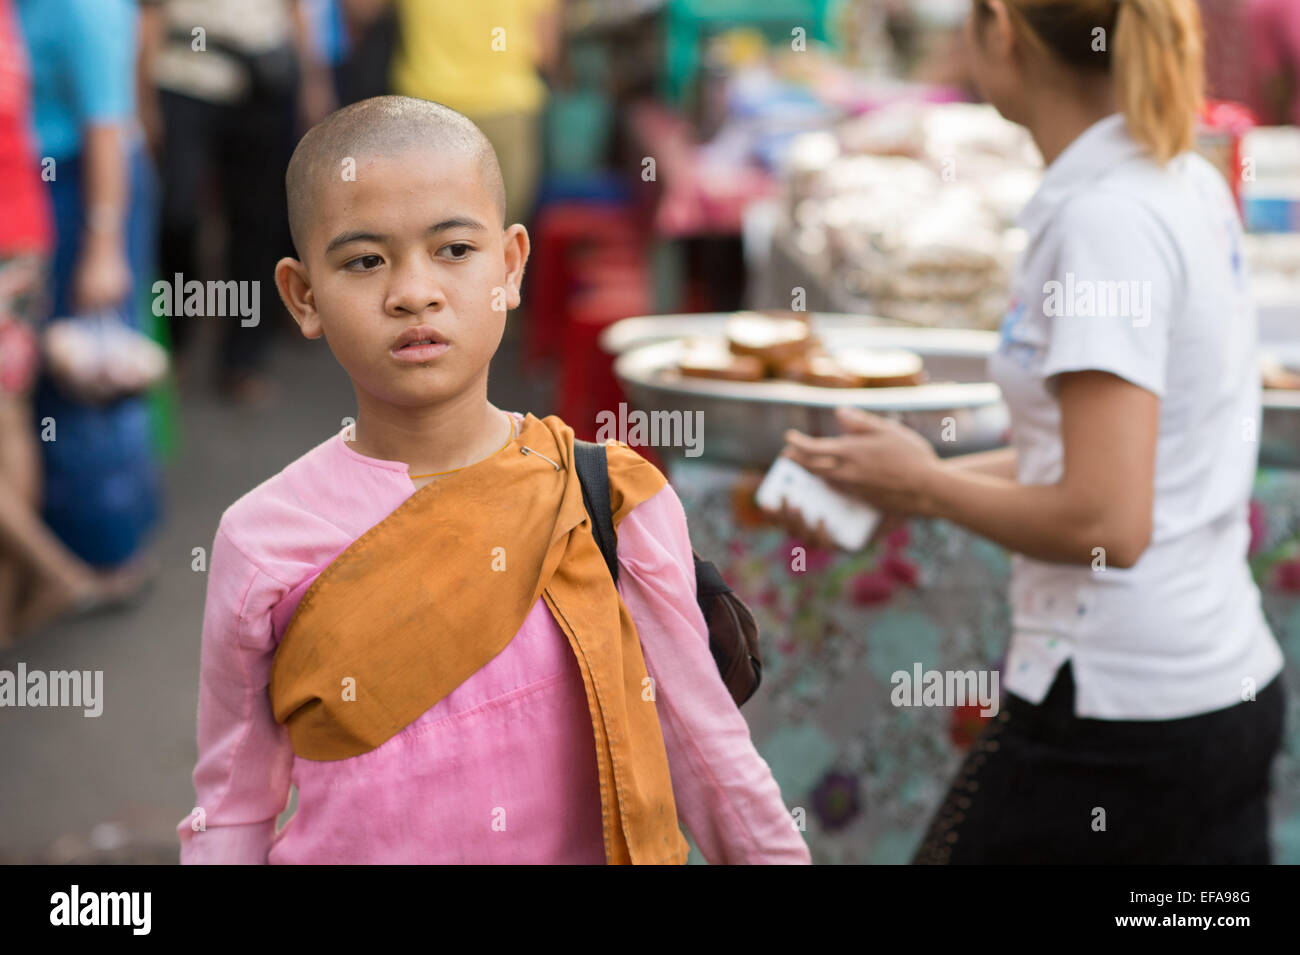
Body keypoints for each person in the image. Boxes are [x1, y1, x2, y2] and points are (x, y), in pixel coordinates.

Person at [177, 96, 809, 864]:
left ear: (510, 266)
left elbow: (709, 754)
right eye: (364, 260)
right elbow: (233, 809)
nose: (413, 291)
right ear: (303, 296)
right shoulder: (264, 538)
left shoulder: (604, 499)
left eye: (452, 249)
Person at [778, 0, 1286, 864]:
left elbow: (1105, 523)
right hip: (1207, 690)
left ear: (1001, 30)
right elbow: (1106, 460)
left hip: (1119, 720)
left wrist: (924, 484)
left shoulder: (1104, 222)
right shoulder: (1174, 176)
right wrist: (899, 476)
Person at [15, 0, 164, 571]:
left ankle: (107, 556)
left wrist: (103, 250)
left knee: (89, 377)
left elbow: (108, 126)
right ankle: (68, 550)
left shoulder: (84, 8)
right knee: (58, 374)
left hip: (88, 193)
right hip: (50, 187)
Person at [138, 0, 333, 404]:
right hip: (183, 81)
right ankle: (175, 339)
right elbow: (151, 14)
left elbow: (297, 9)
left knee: (255, 223)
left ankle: (242, 358)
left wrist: (313, 82)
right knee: (178, 217)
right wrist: (143, 100)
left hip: (262, 82)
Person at [388, 0, 562, 229]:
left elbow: (361, 10)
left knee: (426, 232)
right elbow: (546, 51)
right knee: (500, 232)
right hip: (505, 108)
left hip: (425, 108)